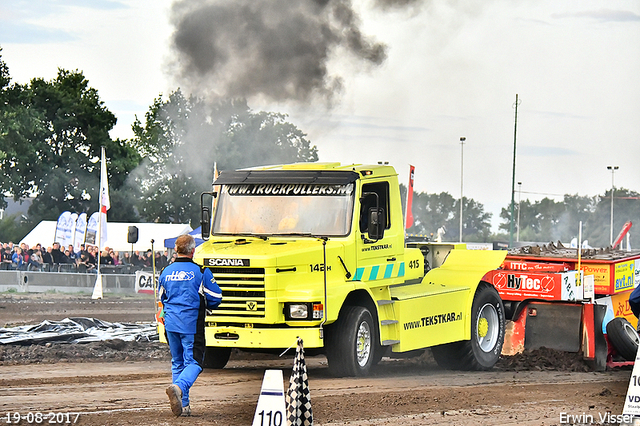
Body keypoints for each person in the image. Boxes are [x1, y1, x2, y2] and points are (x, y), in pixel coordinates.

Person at [158, 234, 222, 417]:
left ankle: (183, 406)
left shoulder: (165, 271)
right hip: (191, 324)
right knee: (194, 362)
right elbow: (216, 298)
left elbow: (162, 298)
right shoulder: (201, 272)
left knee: (177, 362)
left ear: (176, 250)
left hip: (170, 324)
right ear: (193, 251)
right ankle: (179, 387)